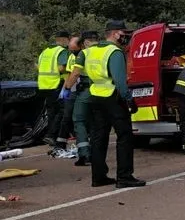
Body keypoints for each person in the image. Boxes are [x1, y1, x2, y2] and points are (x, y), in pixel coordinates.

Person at [85, 20, 145, 188]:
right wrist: (129, 100)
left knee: (98, 138)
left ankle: (98, 177)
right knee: (125, 136)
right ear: (115, 33)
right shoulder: (114, 52)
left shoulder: (91, 51)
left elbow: (85, 73)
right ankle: (124, 176)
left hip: (95, 96)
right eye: (123, 33)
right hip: (113, 97)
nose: (125, 36)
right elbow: (120, 81)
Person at [63, 31, 100, 166]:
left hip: (86, 90)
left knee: (79, 120)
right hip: (104, 91)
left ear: (84, 42)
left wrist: (66, 88)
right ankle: (98, 154)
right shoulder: (107, 51)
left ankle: (85, 154)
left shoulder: (84, 53)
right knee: (98, 122)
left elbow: (75, 73)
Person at [36, 31, 71, 149]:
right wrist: (70, 68)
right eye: (68, 39)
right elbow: (61, 68)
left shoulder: (45, 51)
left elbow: (37, 66)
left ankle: (51, 134)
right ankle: (52, 135)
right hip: (56, 84)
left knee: (51, 112)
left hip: (43, 85)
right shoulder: (61, 51)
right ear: (64, 39)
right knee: (61, 111)